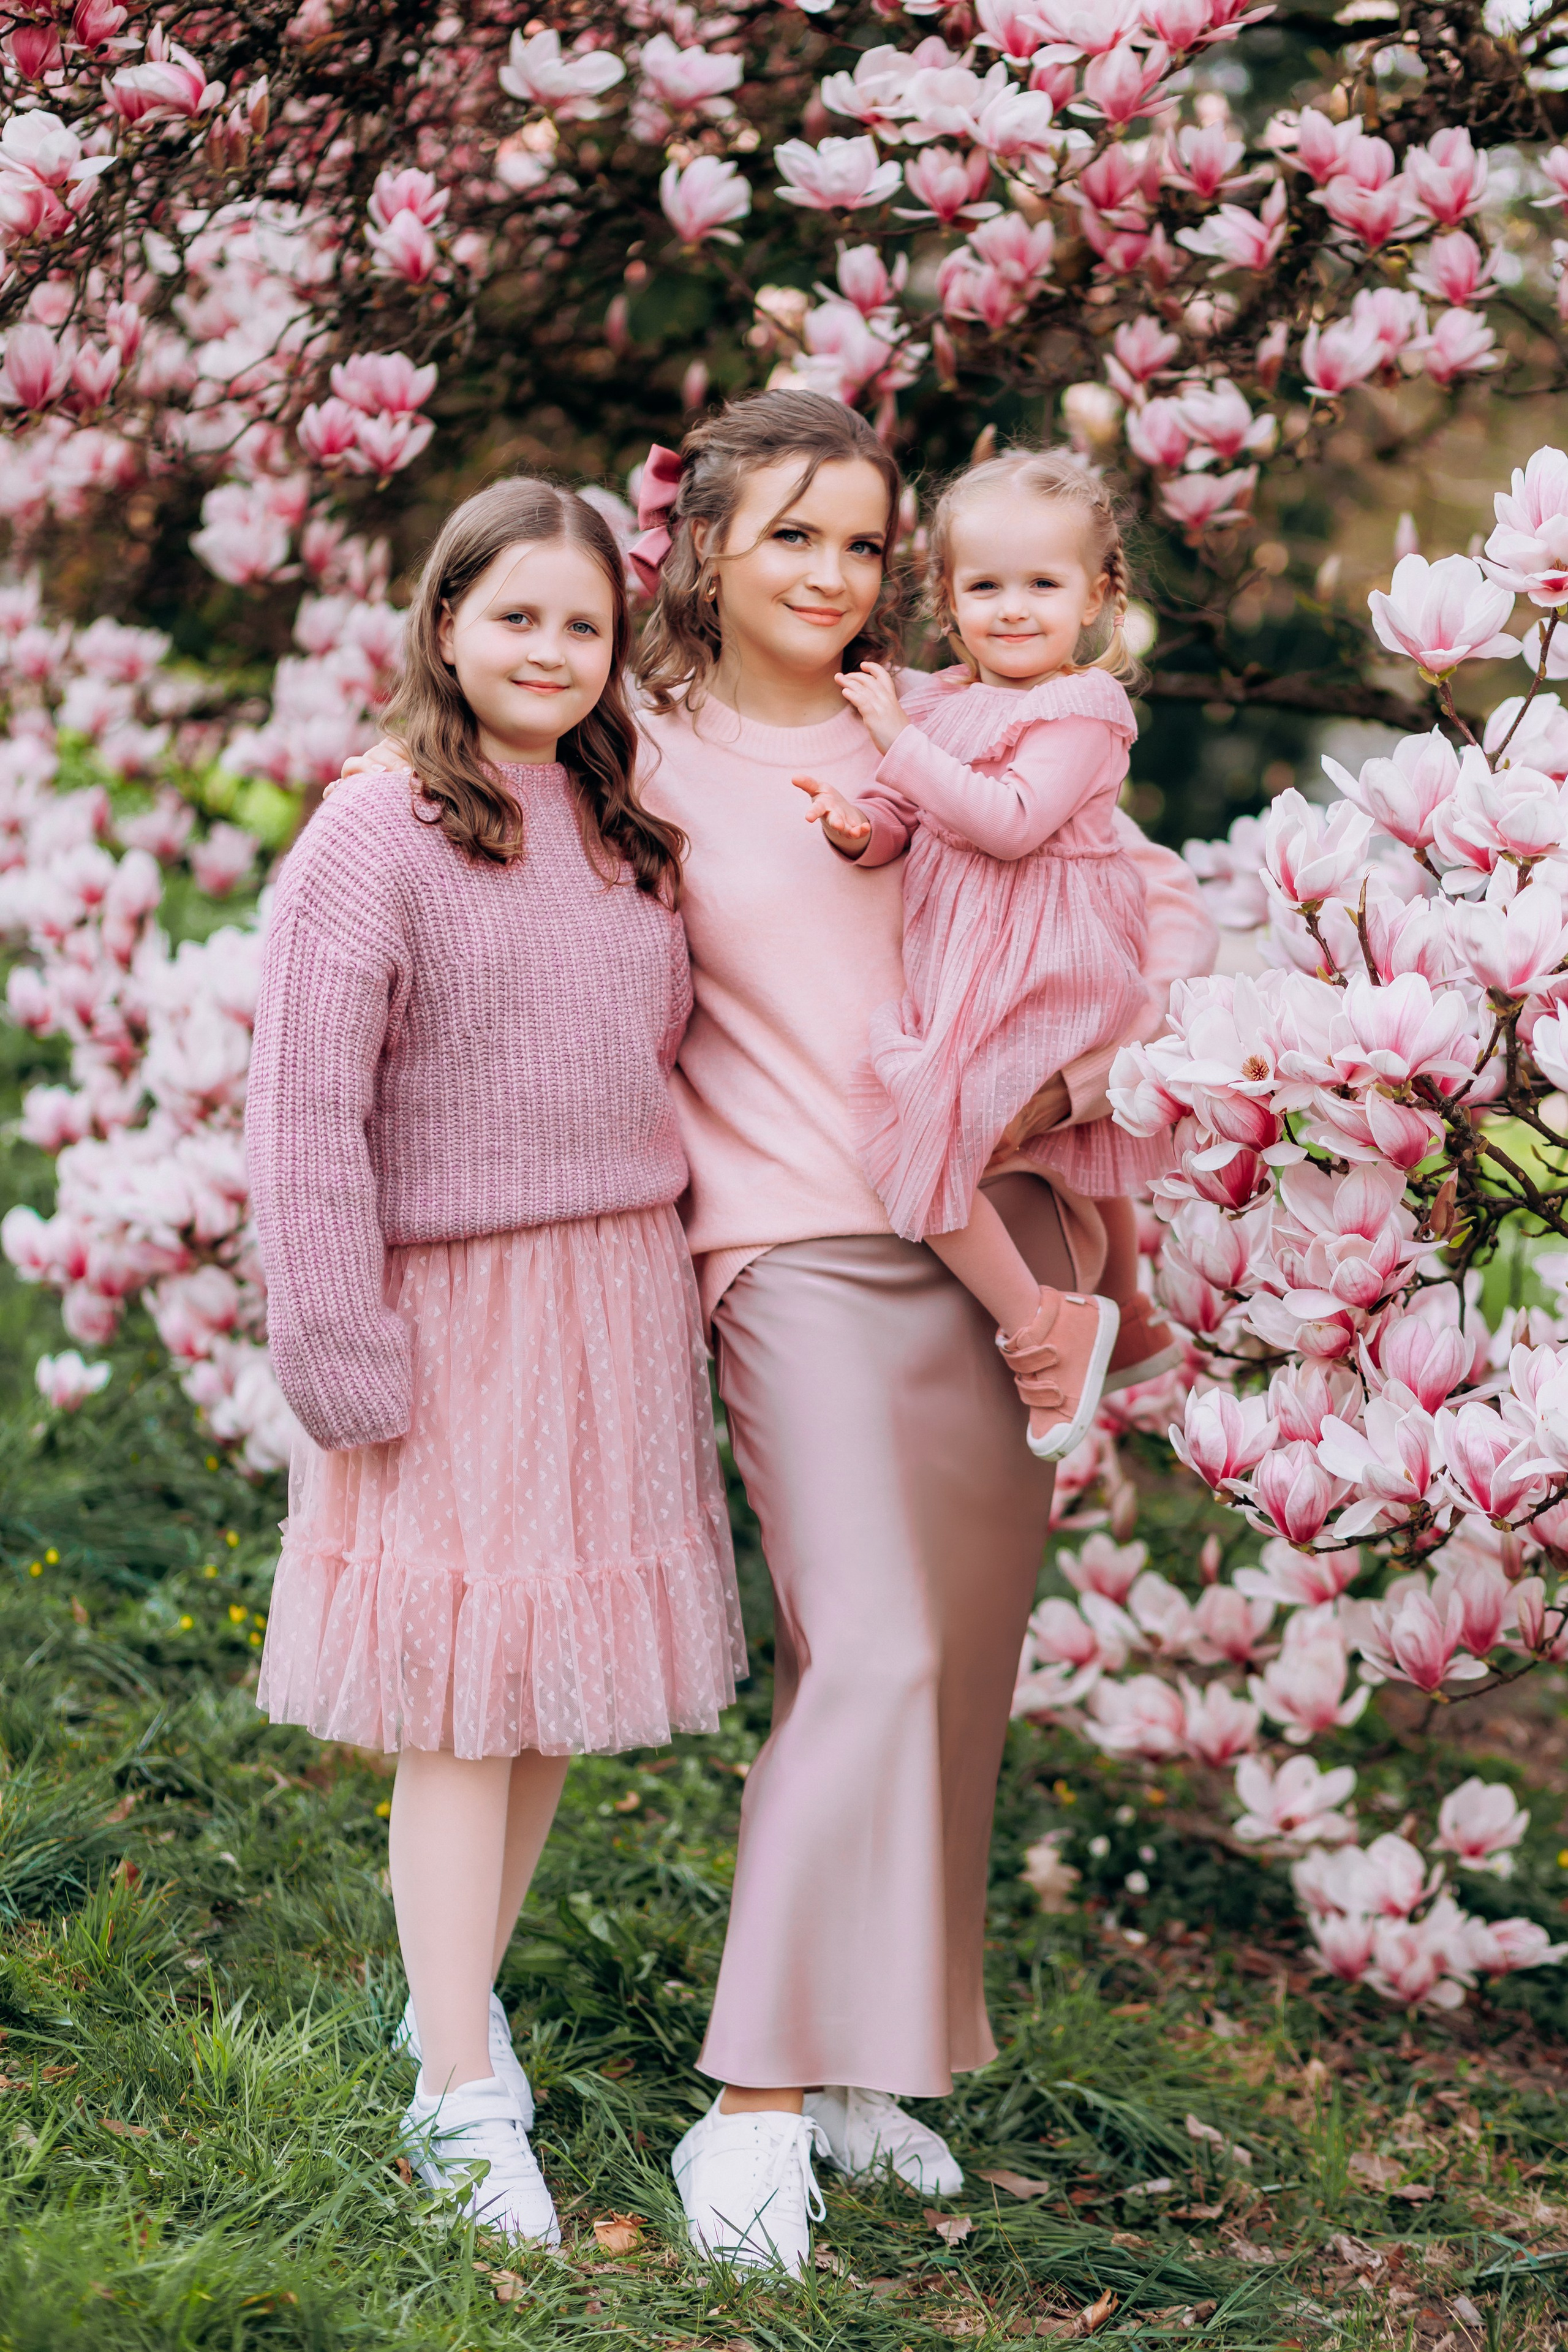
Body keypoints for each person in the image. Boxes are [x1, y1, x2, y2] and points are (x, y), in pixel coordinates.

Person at [626, 390, 1216, 2273]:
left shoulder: (978, 722)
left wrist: (1087, 1082)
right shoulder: (636, 746)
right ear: (710, 540)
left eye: (864, 540)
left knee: (948, 1670)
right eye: (792, 531)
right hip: (797, 1237)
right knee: (868, 1641)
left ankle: (878, 2057)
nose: (832, 572)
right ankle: (755, 2106)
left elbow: (1138, 902)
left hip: (1008, 1224)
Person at [246, 478, 745, 2247]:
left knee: (537, 1686)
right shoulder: (376, 830)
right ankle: (459, 2086)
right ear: (446, 624)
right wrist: (331, 1334)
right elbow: (304, 1106)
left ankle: (450, 2001)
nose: (548, 649)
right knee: (464, 1696)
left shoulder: (625, 823)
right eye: (515, 614)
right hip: (446, 1306)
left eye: (582, 624)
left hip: (614, 1288)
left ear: (616, 651)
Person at [792, 447, 1182, 1466]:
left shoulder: (1083, 711)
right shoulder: (935, 702)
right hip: (975, 962)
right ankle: (1131, 1310)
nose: (1014, 609)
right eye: (986, 585)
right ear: (949, 597)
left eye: (1043, 585)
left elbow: (1009, 823)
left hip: (1055, 961)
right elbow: (902, 814)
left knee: (927, 1131)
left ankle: (1048, 1323)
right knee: (1025, 1144)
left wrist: (891, 737)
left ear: (1097, 597)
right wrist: (856, 826)